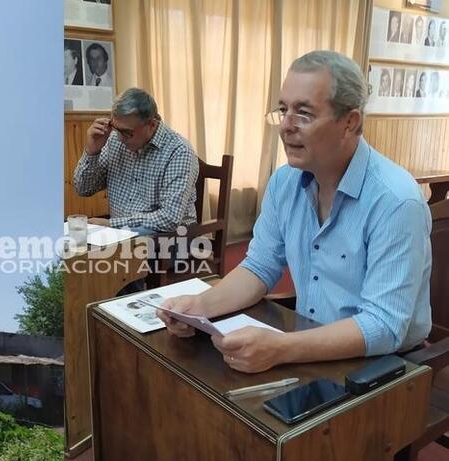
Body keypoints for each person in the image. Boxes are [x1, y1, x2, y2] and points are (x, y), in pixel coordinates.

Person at [158, 50, 431, 373]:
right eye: (283, 109)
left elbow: (383, 326)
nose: (286, 126)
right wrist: (200, 307)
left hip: (387, 364)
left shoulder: (396, 201)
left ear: (349, 122)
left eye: (303, 113)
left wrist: (282, 349)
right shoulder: (285, 182)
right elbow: (259, 267)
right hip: (309, 342)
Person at [73, 87, 198, 235]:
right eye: (115, 128)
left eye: (127, 132)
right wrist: (92, 151)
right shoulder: (114, 140)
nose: (119, 138)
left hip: (168, 239)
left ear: (152, 124)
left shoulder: (178, 151)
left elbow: (169, 219)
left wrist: (112, 224)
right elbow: (83, 189)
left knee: (98, 256)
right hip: (120, 235)